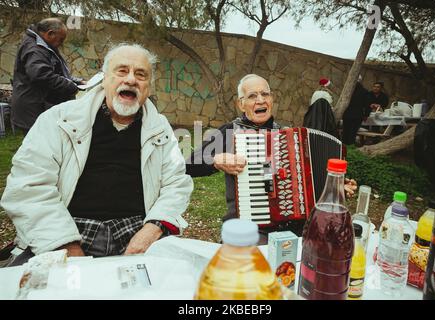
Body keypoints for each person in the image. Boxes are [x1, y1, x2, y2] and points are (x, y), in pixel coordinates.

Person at [0, 44, 193, 266]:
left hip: (137, 229)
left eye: (141, 74)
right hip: (68, 229)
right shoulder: (57, 120)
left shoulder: (160, 128)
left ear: (148, 87)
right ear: (104, 79)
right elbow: (28, 188)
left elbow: (176, 184)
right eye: (122, 71)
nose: (131, 80)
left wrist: (152, 229)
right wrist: (66, 246)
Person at [186, 74, 357, 244]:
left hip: (295, 229)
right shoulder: (231, 131)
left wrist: (334, 187)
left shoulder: (289, 137)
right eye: (252, 96)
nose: (260, 100)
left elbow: (308, 185)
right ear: (241, 104)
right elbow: (189, 166)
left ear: (271, 99)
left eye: (265, 94)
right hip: (250, 228)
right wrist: (216, 159)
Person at [10, 18, 85, 135]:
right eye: (61, 40)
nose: (61, 44)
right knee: (38, 149)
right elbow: (41, 75)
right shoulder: (35, 49)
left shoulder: (43, 45)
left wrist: (77, 81)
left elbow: (54, 71)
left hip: (36, 107)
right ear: (50, 34)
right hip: (33, 109)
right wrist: (71, 86)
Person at [342, 76, 371, 145]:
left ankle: (344, 147)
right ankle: (350, 147)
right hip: (357, 115)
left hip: (347, 114)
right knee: (353, 132)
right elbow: (367, 105)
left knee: (346, 132)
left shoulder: (348, 90)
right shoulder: (365, 91)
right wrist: (366, 114)